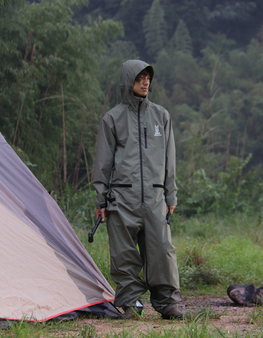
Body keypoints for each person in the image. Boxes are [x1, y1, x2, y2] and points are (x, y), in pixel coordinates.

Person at [93, 60, 184, 320]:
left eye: (148, 78)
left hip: (155, 198)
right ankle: (131, 305)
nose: (145, 82)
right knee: (123, 254)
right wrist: (102, 200)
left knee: (162, 251)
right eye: (140, 77)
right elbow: (103, 163)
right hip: (121, 197)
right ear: (127, 81)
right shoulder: (112, 118)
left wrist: (171, 194)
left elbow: (170, 159)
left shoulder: (161, 116)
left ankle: (168, 304)